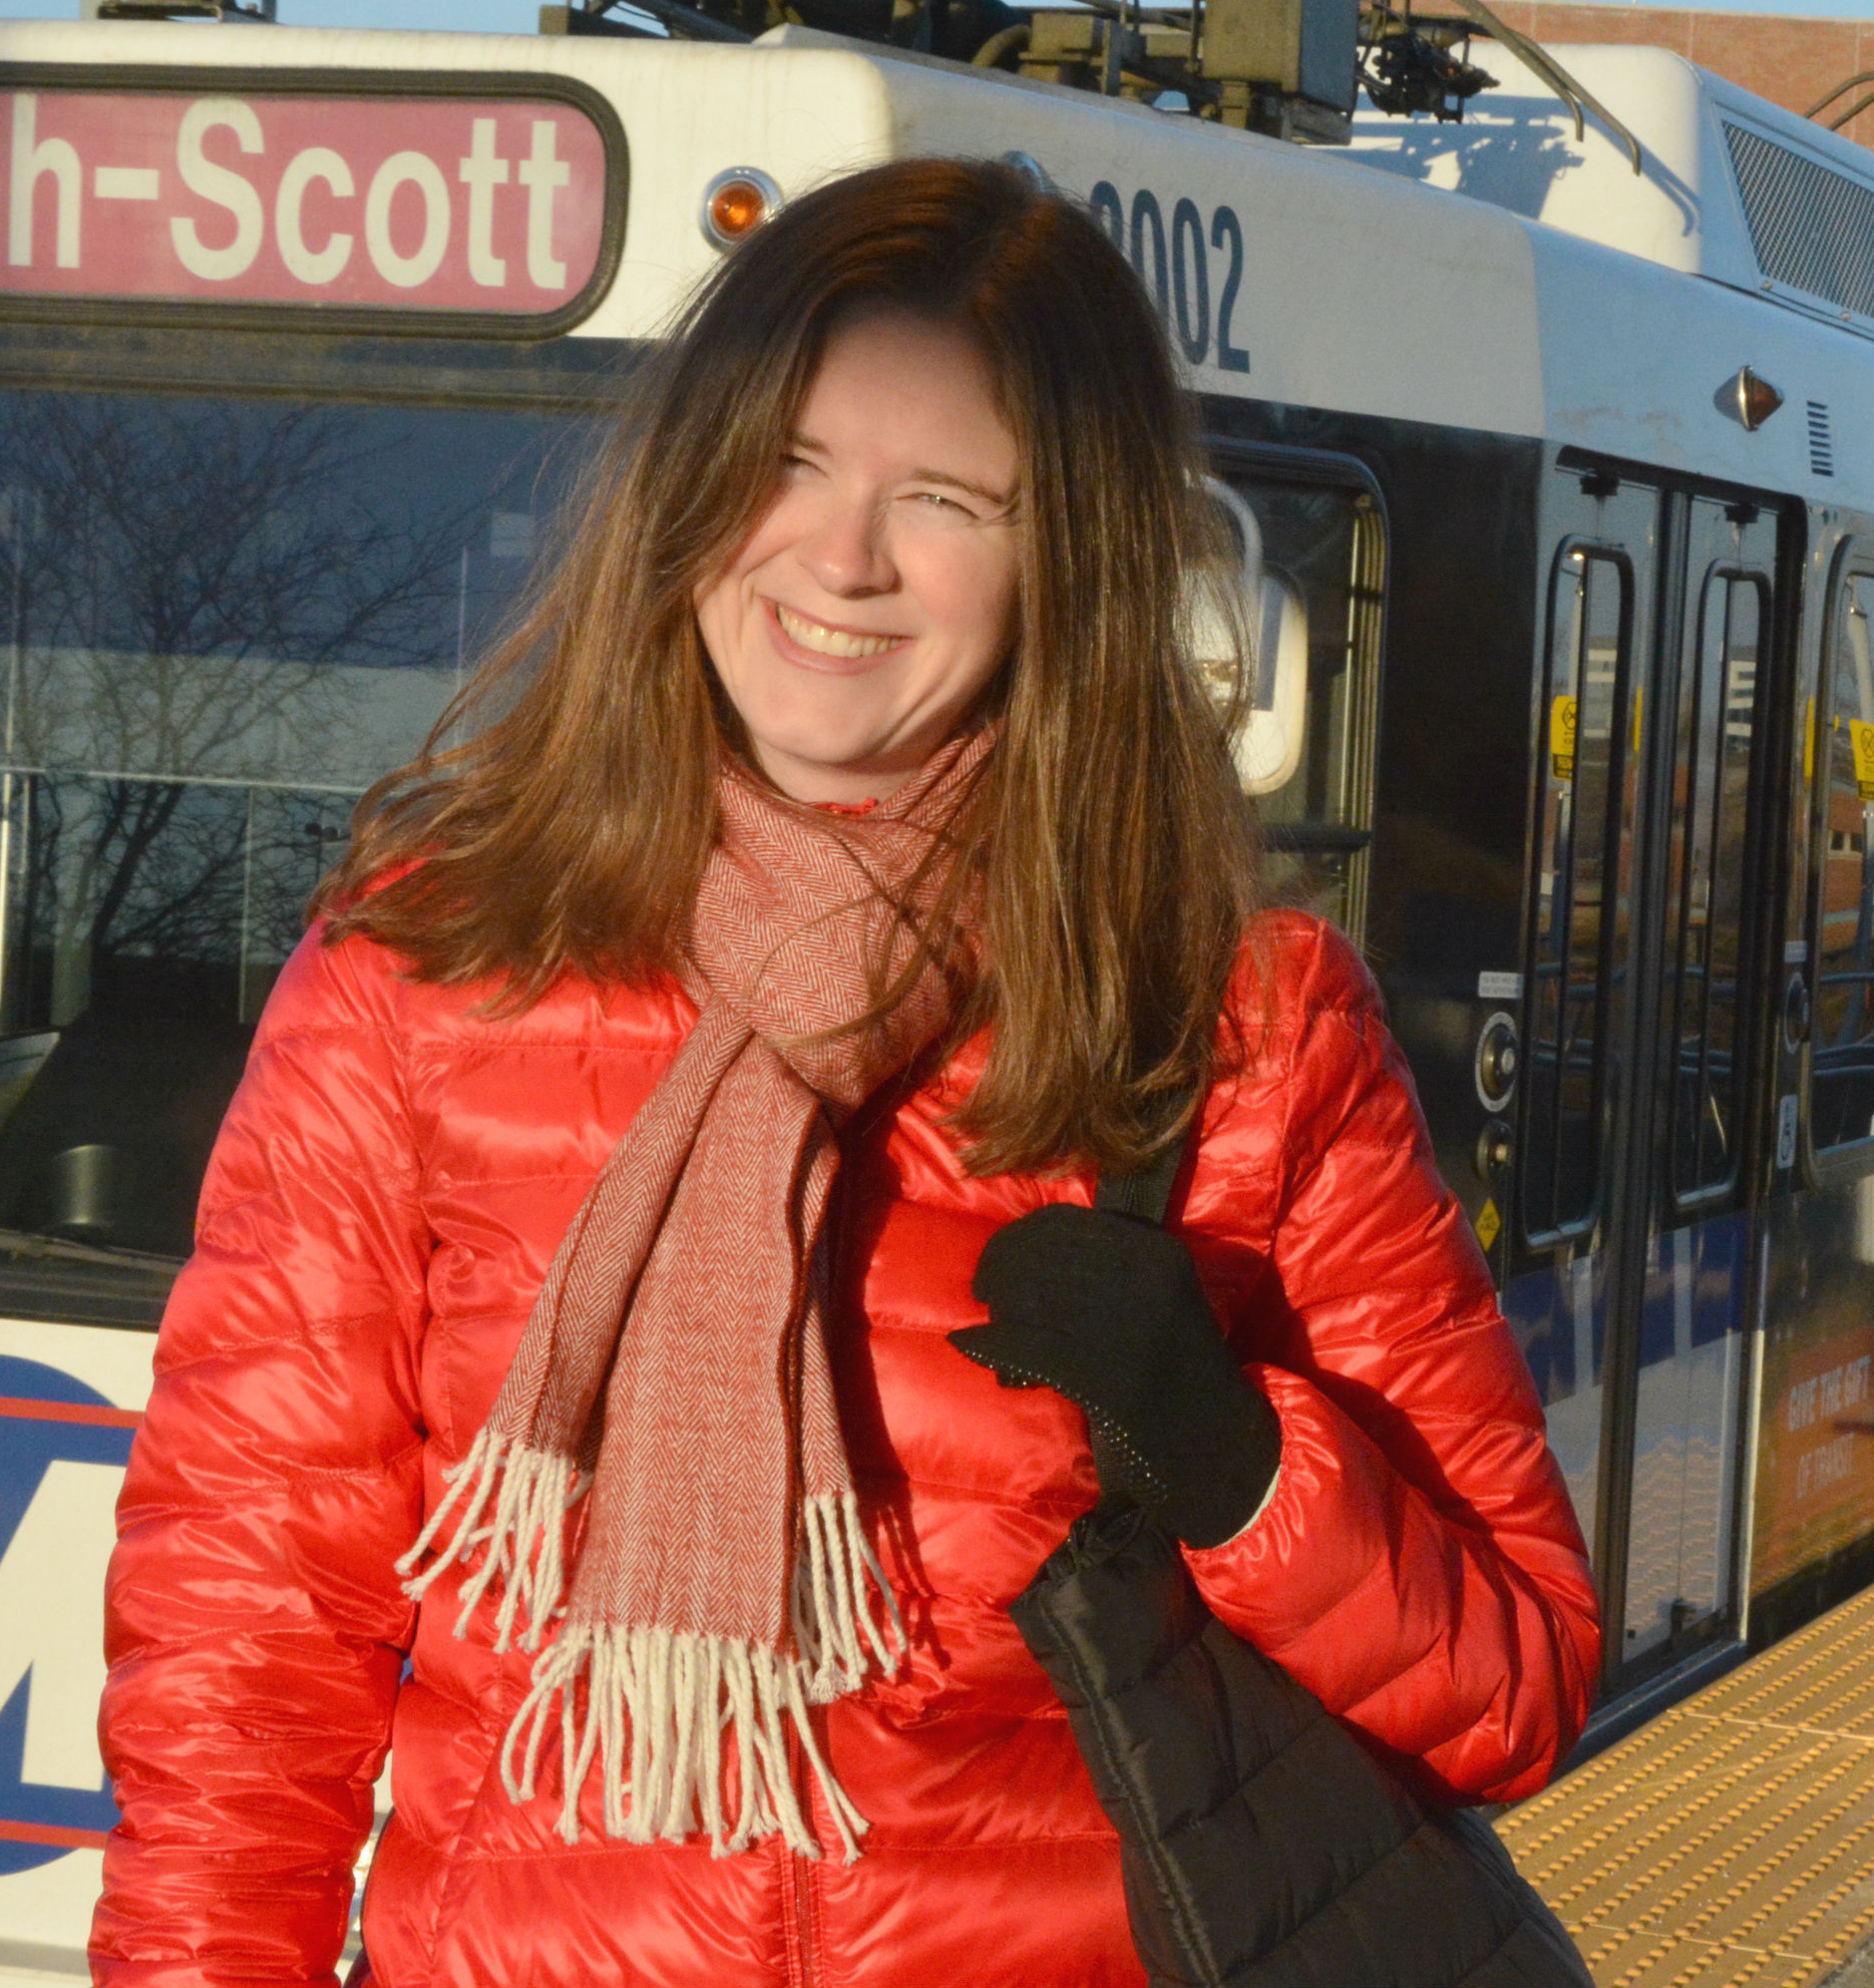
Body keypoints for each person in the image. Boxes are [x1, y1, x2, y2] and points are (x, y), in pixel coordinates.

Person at [92, 158, 1598, 1988]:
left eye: (945, 499)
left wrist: (1233, 1461)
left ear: (1068, 561)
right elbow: (249, 1630)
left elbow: (1519, 1680)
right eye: (789, 462)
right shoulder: (434, 959)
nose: (842, 555)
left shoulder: (1237, 1027)